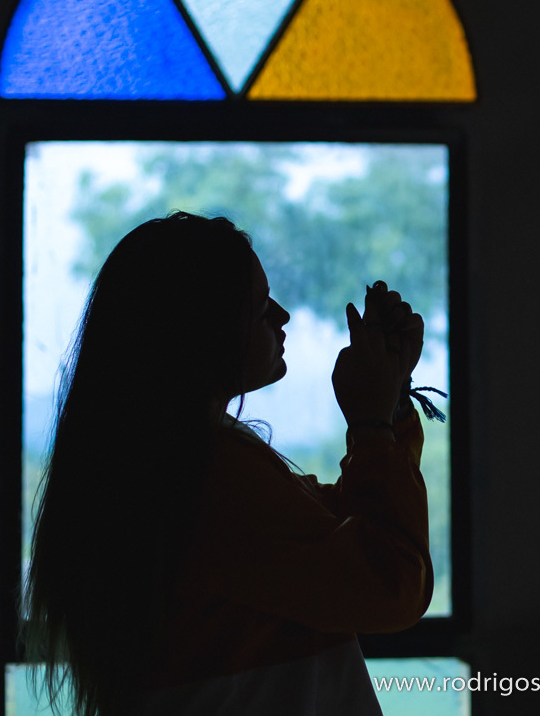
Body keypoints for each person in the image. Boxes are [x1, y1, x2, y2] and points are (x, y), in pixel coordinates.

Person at [23, 212, 432, 716]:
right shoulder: (208, 475)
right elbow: (390, 585)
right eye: (260, 309)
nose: (282, 316)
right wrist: (373, 424)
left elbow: (336, 525)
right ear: (199, 333)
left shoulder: (164, 465)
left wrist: (388, 408)